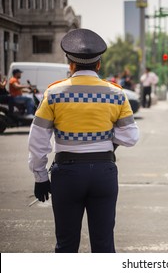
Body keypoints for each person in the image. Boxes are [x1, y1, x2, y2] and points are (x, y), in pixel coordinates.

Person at [28, 28, 139, 253]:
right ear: (98, 65)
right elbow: (131, 137)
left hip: (67, 175)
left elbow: (38, 138)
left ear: (70, 63)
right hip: (103, 173)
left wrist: (40, 177)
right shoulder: (116, 94)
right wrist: (106, 137)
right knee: (104, 245)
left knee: (66, 245)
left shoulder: (54, 93)